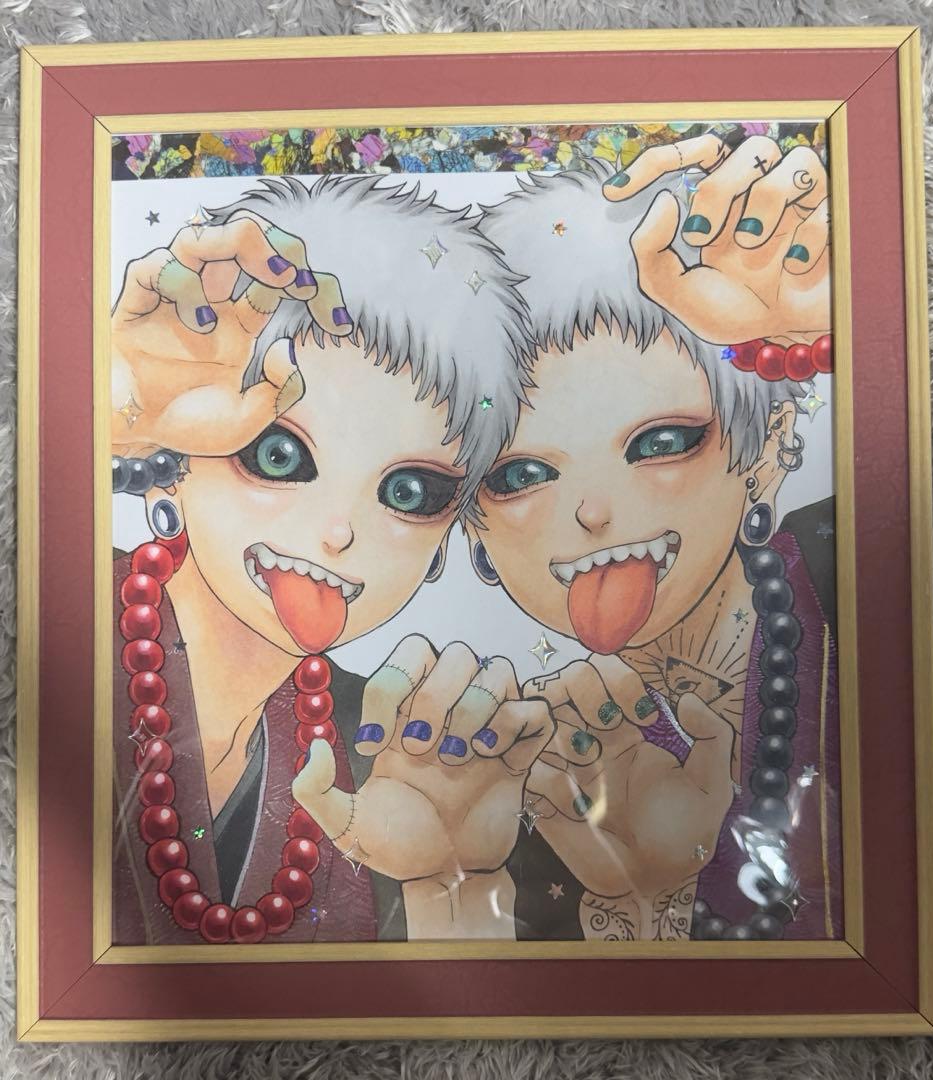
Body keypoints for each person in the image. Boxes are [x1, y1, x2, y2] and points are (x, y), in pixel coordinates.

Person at [111, 174, 547, 944]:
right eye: (278, 456)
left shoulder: (375, 747)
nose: (339, 532)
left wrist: (449, 888)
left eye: (410, 491)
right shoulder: (57, 614)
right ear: (175, 454)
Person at [461, 134, 841, 941]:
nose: (593, 512)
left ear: (765, 450)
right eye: (521, 474)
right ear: (470, 521)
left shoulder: (864, 583)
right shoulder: (494, 765)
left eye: (660, 442)